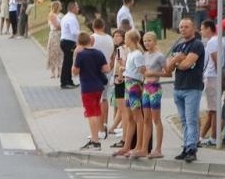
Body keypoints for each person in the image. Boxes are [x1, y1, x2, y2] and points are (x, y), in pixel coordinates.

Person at [168, 16, 205, 162]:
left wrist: (176, 61)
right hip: (178, 87)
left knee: (191, 120)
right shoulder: (178, 47)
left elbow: (187, 65)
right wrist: (178, 59)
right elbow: (167, 68)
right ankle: (185, 146)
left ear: (194, 28)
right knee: (183, 120)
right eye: (181, 27)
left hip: (192, 87)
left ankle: (192, 148)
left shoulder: (197, 45)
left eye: (186, 27)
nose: (183, 29)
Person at [71, 31, 110, 149]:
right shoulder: (98, 53)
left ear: (79, 42)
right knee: (96, 111)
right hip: (99, 86)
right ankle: (96, 136)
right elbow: (106, 69)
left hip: (87, 87)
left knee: (90, 113)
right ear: (90, 40)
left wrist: (75, 58)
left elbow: (75, 72)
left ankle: (95, 140)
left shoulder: (81, 55)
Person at [138, 30, 167, 158]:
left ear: (155, 41)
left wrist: (153, 74)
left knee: (156, 119)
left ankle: (158, 149)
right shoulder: (144, 55)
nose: (147, 43)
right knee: (146, 119)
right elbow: (143, 71)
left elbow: (168, 72)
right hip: (145, 88)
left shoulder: (159, 56)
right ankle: (145, 148)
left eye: (149, 40)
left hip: (155, 88)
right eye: (144, 41)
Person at [116, 30, 145, 158]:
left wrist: (140, 84)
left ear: (131, 40)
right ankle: (127, 145)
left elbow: (141, 71)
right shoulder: (131, 54)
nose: (124, 41)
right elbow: (133, 70)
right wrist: (123, 70)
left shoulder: (138, 54)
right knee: (129, 117)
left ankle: (138, 146)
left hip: (134, 85)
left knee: (137, 117)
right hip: (128, 85)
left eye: (126, 38)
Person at [200, 18, 222, 148]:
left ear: (209, 28)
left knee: (214, 110)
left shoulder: (212, 42)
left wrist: (218, 76)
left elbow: (216, 60)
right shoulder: (218, 41)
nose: (201, 31)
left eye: (202, 28)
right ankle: (201, 136)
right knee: (211, 110)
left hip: (212, 76)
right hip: (214, 77)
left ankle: (213, 137)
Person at [57, 1, 80, 88]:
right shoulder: (71, 18)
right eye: (77, 7)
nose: (78, 9)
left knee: (68, 62)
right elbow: (74, 32)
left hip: (65, 41)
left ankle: (69, 81)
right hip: (68, 42)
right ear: (73, 8)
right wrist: (82, 34)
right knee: (67, 62)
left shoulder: (66, 17)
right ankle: (65, 82)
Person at [45, 1, 64, 79]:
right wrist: (64, 27)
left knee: (60, 52)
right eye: (60, 6)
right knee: (53, 52)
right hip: (54, 34)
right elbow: (56, 26)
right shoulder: (52, 15)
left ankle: (59, 71)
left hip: (60, 35)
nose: (61, 7)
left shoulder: (61, 15)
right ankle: (52, 72)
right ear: (57, 6)